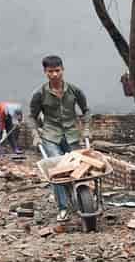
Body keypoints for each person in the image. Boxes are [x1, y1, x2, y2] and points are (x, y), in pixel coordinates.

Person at [28, 55, 91, 223]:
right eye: (50, 72)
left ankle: (81, 200)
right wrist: (35, 134)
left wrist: (86, 129)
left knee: (78, 169)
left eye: (57, 71)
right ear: (45, 72)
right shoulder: (39, 93)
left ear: (62, 70)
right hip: (51, 136)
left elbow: (86, 110)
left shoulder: (74, 90)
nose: (54, 75)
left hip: (71, 135)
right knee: (56, 171)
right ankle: (63, 208)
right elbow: (32, 117)